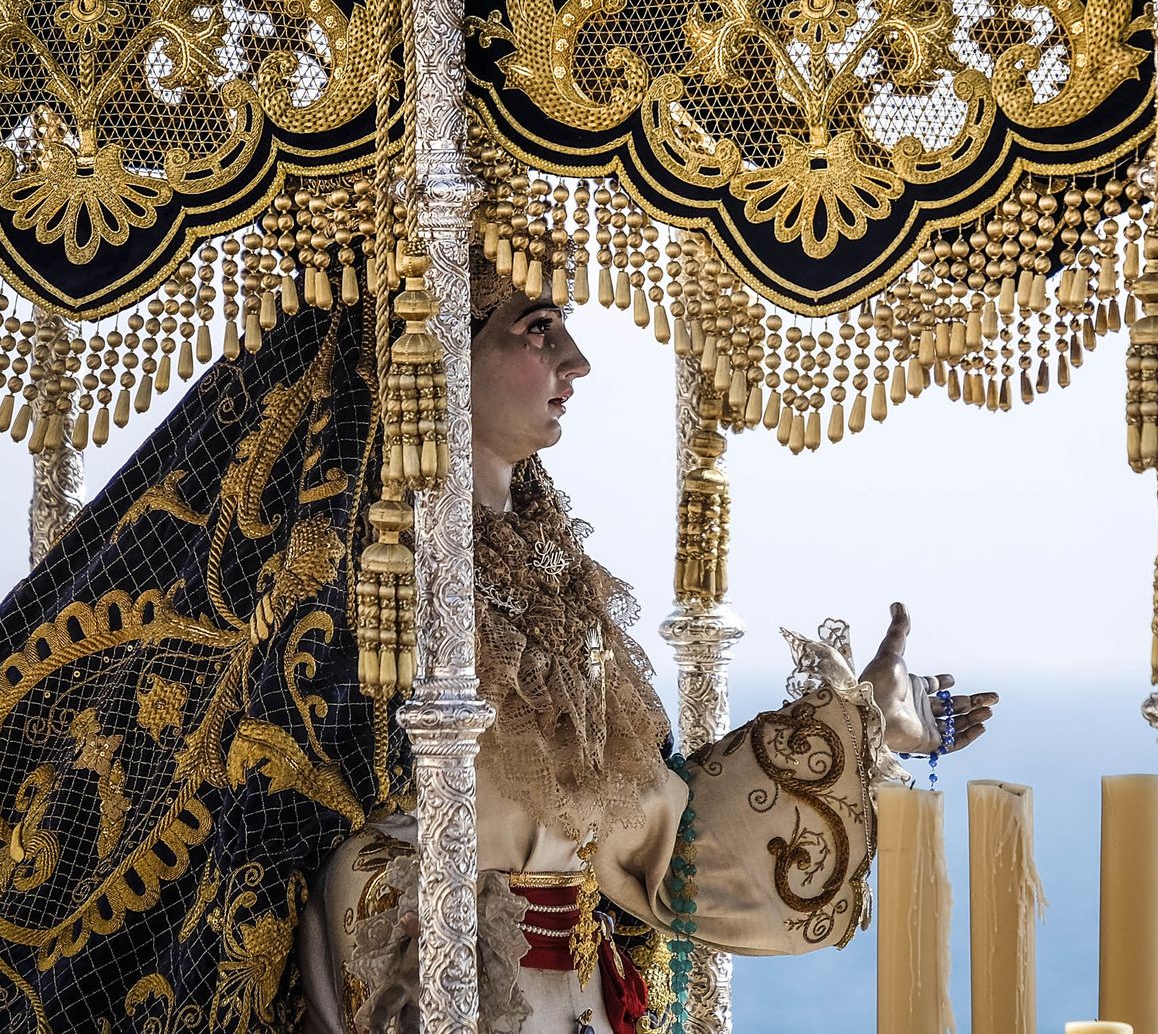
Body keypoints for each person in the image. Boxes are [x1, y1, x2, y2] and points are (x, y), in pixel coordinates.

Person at [294, 256, 1000, 1034]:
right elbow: (320, 822)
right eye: (537, 329)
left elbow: (665, 839)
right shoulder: (369, 577)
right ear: (439, 353)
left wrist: (861, 724)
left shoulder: (554, 591)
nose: (578, 360)